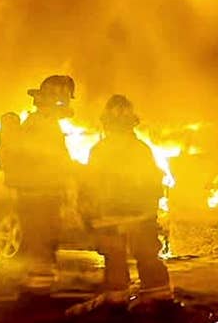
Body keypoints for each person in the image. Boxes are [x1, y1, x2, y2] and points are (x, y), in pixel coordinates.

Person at [72, 95, 175, 313]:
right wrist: (151, 209)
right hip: (140, 216)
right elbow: (153, 181)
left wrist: (87, 214)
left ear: (106, 123)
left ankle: (117, 303)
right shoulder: (141, 149)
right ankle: (160, 298)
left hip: (110, 216)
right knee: (148, 256)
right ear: (132, 123)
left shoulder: (98, 150)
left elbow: (89, 186)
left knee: (115, 261)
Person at [0, 75, 78, 295]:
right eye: (62, 101)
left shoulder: (41, 123)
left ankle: (38, 285)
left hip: (40, 192)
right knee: (41, 239)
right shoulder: (41, 125)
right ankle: (38, 293)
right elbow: (54, 159)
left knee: (41, 239)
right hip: (40, 193)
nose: (65, 105)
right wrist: (76, 170)